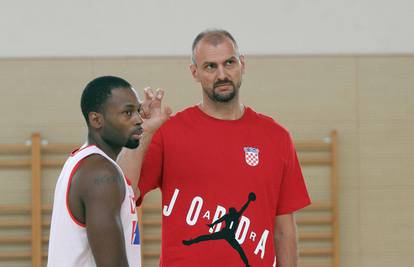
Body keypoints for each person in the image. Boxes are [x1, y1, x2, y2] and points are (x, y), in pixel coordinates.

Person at [119, 29, 311, 267]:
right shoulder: (170, 132)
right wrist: (144, 133)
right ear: (195, 72)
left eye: (229, 63)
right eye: (210, 66)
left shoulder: (277, 137)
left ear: (242, 64)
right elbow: (121, 192)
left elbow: (284, 231)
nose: (222, 74)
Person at [47, 76, 170, 267]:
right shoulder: (101, 173)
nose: (138, 119)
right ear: (96, 120)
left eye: (137, 111)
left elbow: (130, 186)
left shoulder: (91, 163)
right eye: (127, 113)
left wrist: (146, 130)